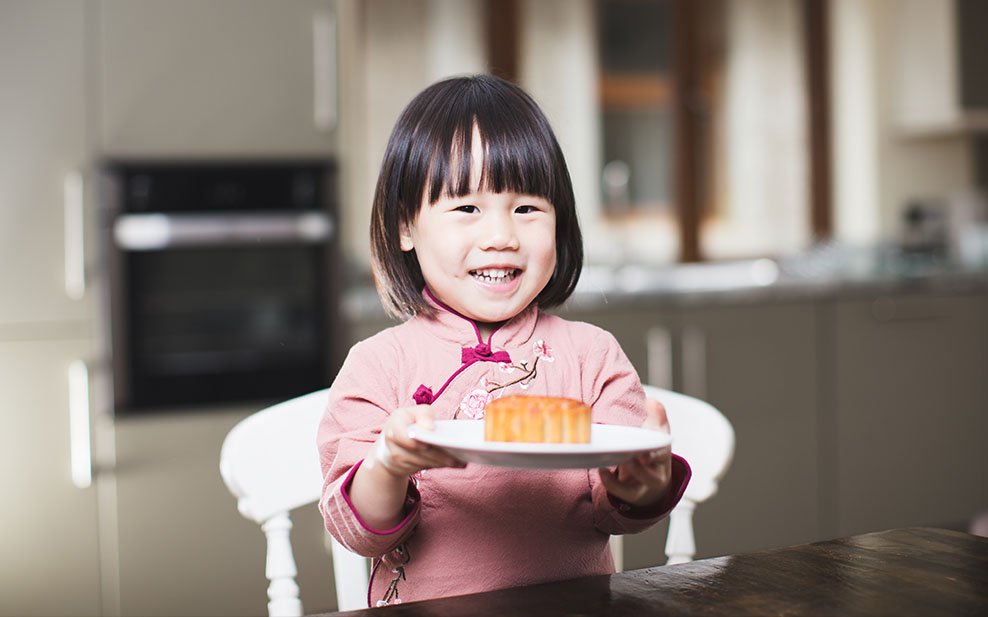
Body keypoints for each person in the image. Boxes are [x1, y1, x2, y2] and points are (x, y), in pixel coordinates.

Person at [317, 74, 690, 607]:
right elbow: (359, 529)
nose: (501, 237)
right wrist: (389, 465)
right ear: (405, 227)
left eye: (527, 208)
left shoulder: (593, 356)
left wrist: (643, 482)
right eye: (467, 208)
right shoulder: (378, 366)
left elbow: (623, 508)